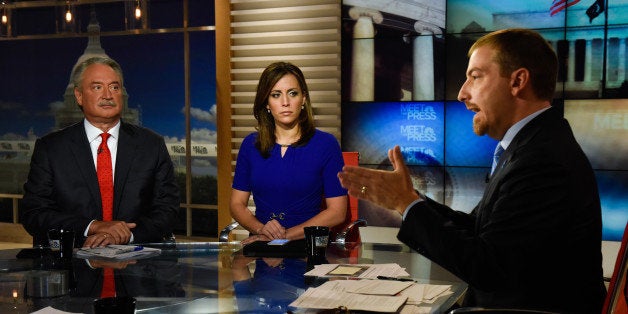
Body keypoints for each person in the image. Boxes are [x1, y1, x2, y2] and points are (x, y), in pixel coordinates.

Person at [338, 28, 605, 313]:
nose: (462, 93)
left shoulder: (543, 160)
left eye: (475, 77)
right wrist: (407, 199)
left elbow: (488, 268)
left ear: (518, 81)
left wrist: (406, 203)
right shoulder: (531, 145)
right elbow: (479, 232)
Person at [21, 56, 179, 248]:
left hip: (137, 265)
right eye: (97, 87)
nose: (107, 95)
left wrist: (124, 236)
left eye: (114, 87)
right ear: (79, 96)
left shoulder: (151, 145)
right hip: (72, 265)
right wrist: (93, 227)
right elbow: (34, 213)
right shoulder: (51, 148)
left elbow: (167, 210)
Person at [231, 62, 347, 245]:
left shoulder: (326, 144)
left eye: (292, 93)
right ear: (266, 103)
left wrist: (285, 236)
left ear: (303, 99)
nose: (285, 102)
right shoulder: (250, 145)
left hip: (307, 248)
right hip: (262, 243)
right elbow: (236, 204)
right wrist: (261, 230)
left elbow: (337, 212)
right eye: (276, 95)